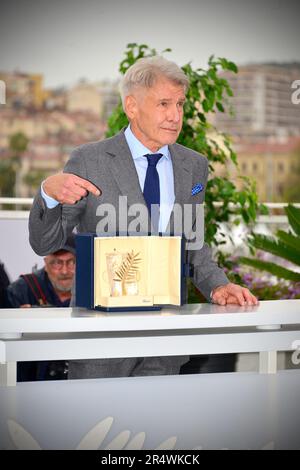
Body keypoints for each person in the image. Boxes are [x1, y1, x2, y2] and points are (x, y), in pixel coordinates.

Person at [28, 56, 258, 379]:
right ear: (131, 107)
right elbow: (44, 243)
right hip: (100, 347)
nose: (175, 115)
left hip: (164, 347)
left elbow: (192, 247)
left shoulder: (194, 165)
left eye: (180, 104)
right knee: (93, 431)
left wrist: (219, 287)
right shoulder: (88, 161)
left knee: (163, 430)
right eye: (164, 104)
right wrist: (48, 194)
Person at [6, 235, 76, 381]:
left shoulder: (94, 292)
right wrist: (19, 322)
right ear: (45, 262)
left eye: (72, 262)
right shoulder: (22, 290)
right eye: (57, 263)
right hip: (31, 381)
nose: (64, 271)